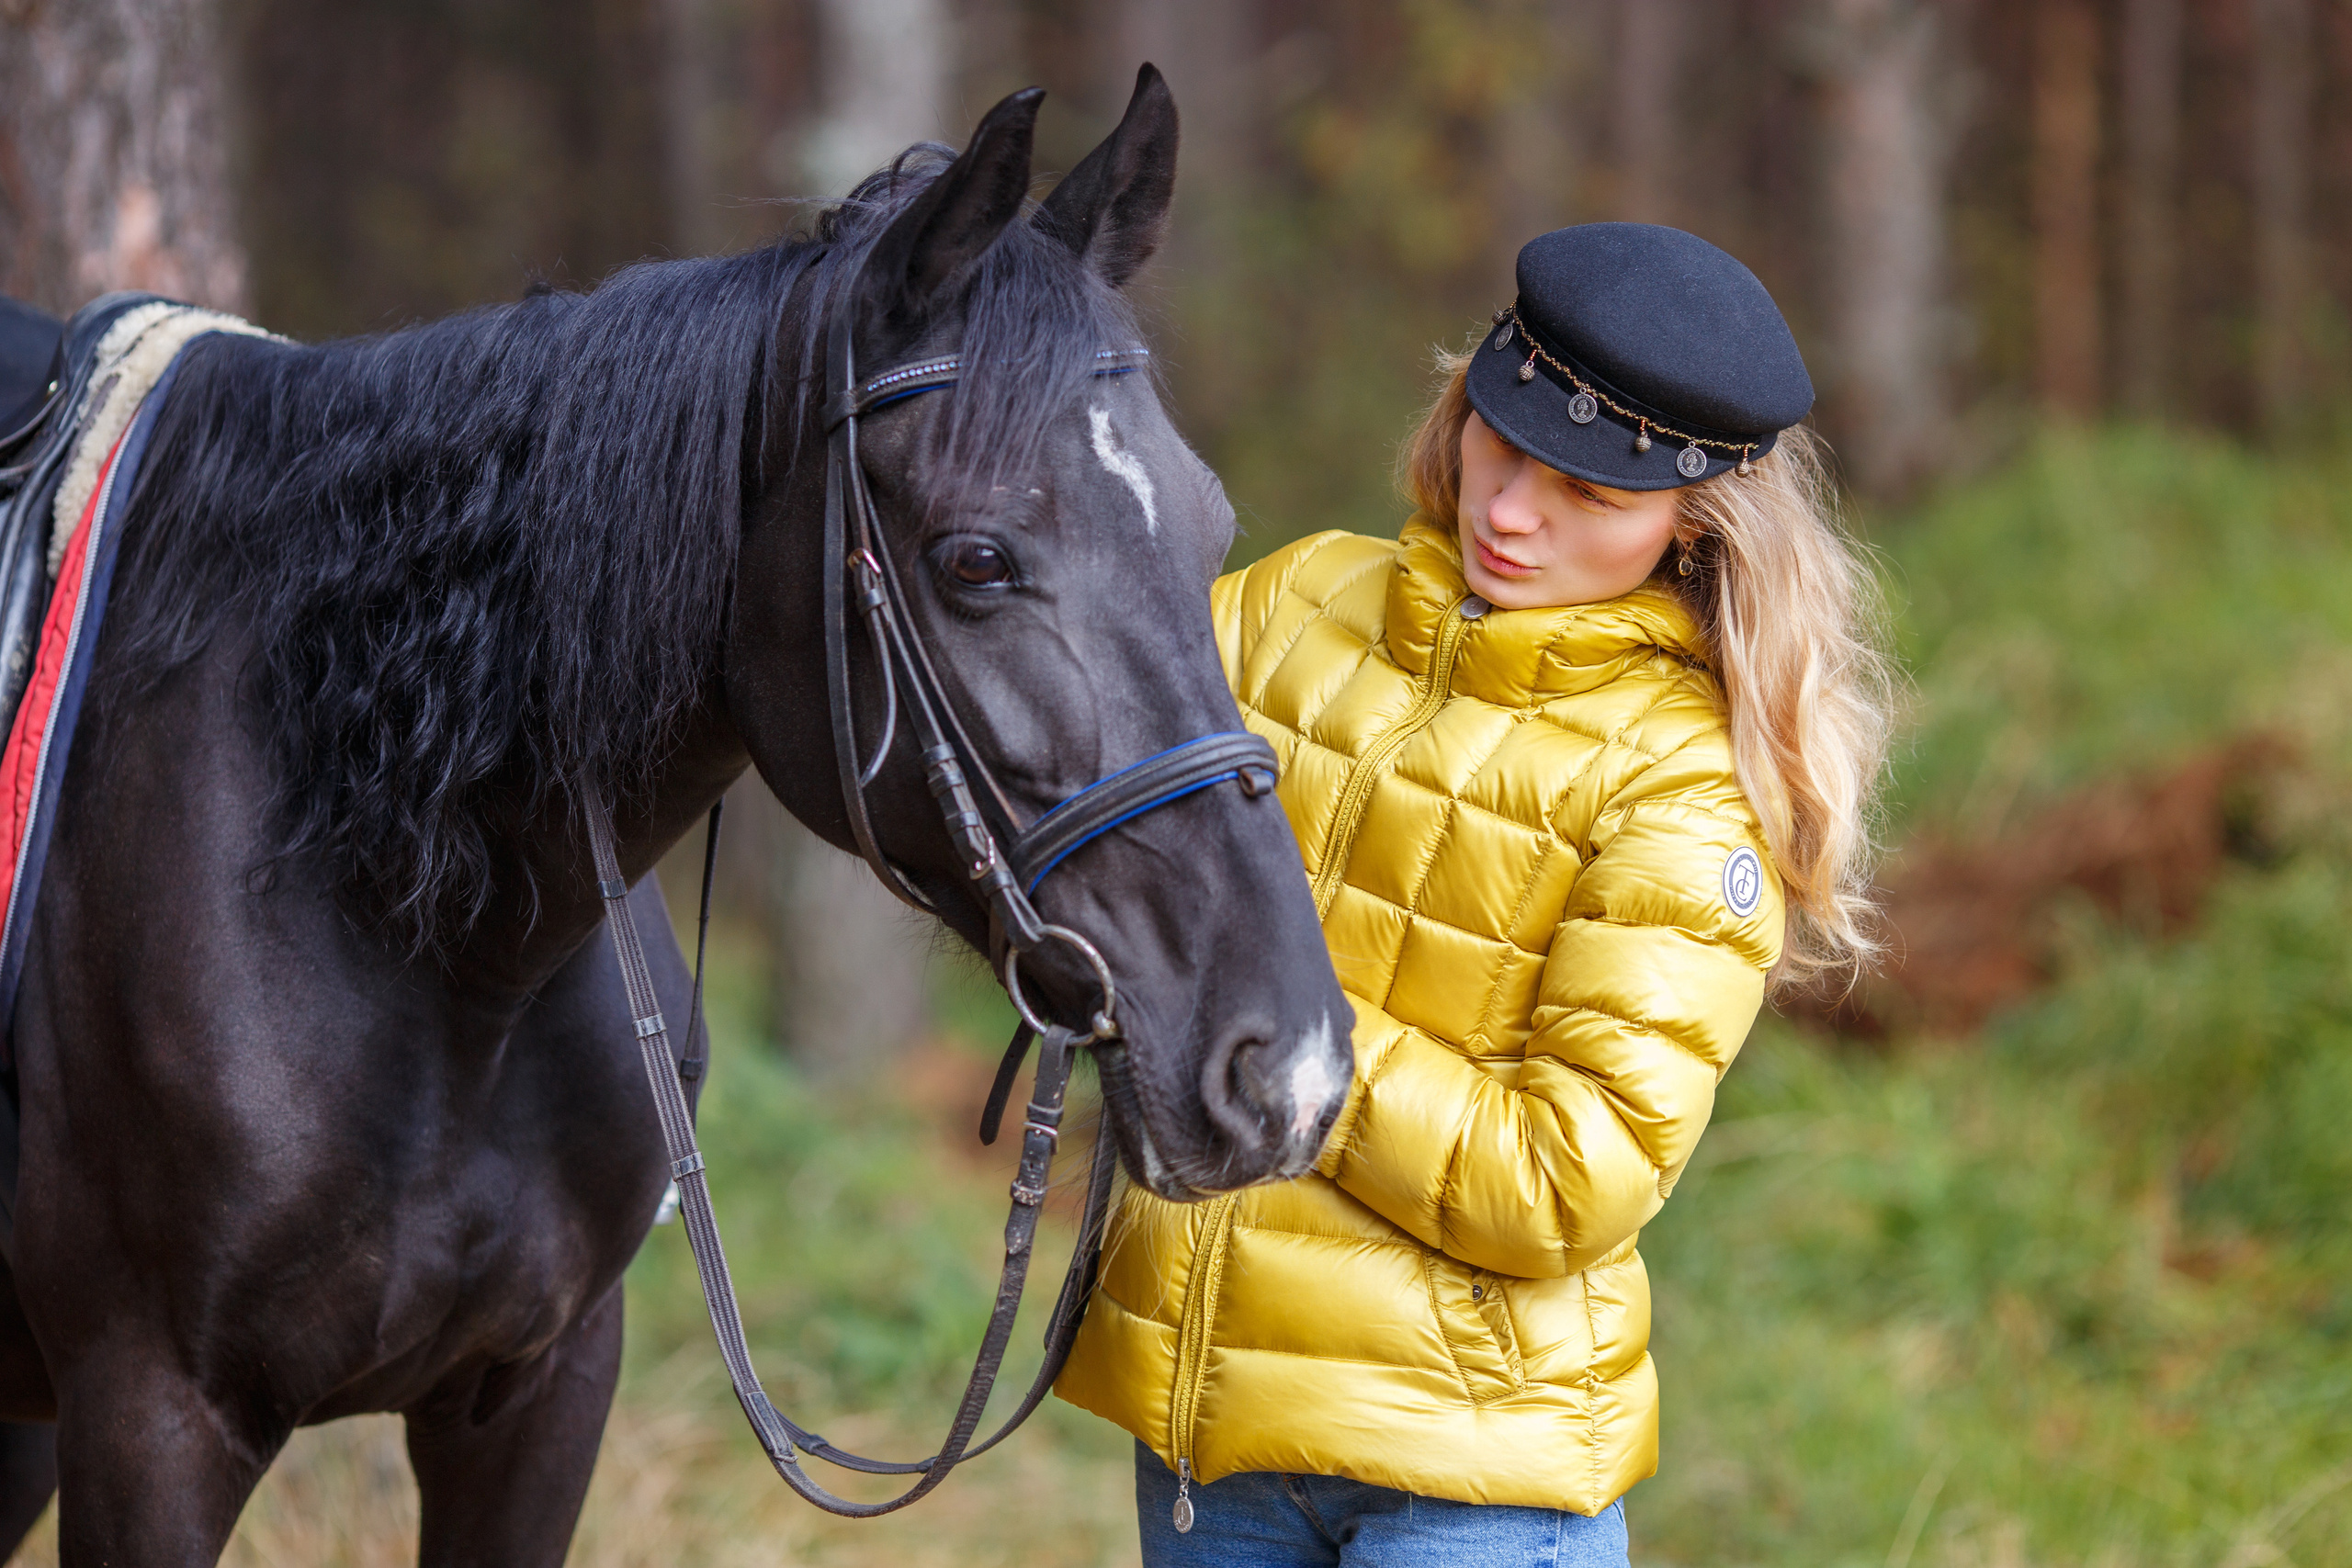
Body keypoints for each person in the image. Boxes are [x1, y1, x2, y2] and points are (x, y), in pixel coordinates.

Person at [1054, 222, 1896, 1566]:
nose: (1512, 511)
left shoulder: (1681, 785)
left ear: (1696, 520)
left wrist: (1268, 1024)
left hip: (1470, 1492)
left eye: (1590, 495)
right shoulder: (1290, 607)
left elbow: (1564, 1181)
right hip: (1209, 1438)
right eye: (1505, 443)